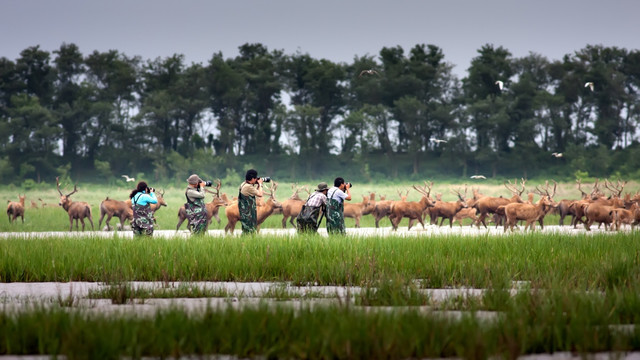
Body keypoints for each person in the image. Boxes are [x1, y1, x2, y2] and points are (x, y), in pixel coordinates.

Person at [238, 169, 264, 234]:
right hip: (248, 214)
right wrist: (260, 184)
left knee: (246, 230)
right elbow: (260, 194)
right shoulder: (248, 187)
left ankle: (243, 242)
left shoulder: (243, 184)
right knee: (250, 230)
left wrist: (257, 185)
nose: (256, 180)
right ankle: (245, 242)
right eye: (255, 178)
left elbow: (254, 192)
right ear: (252, 178)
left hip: (245, 212)